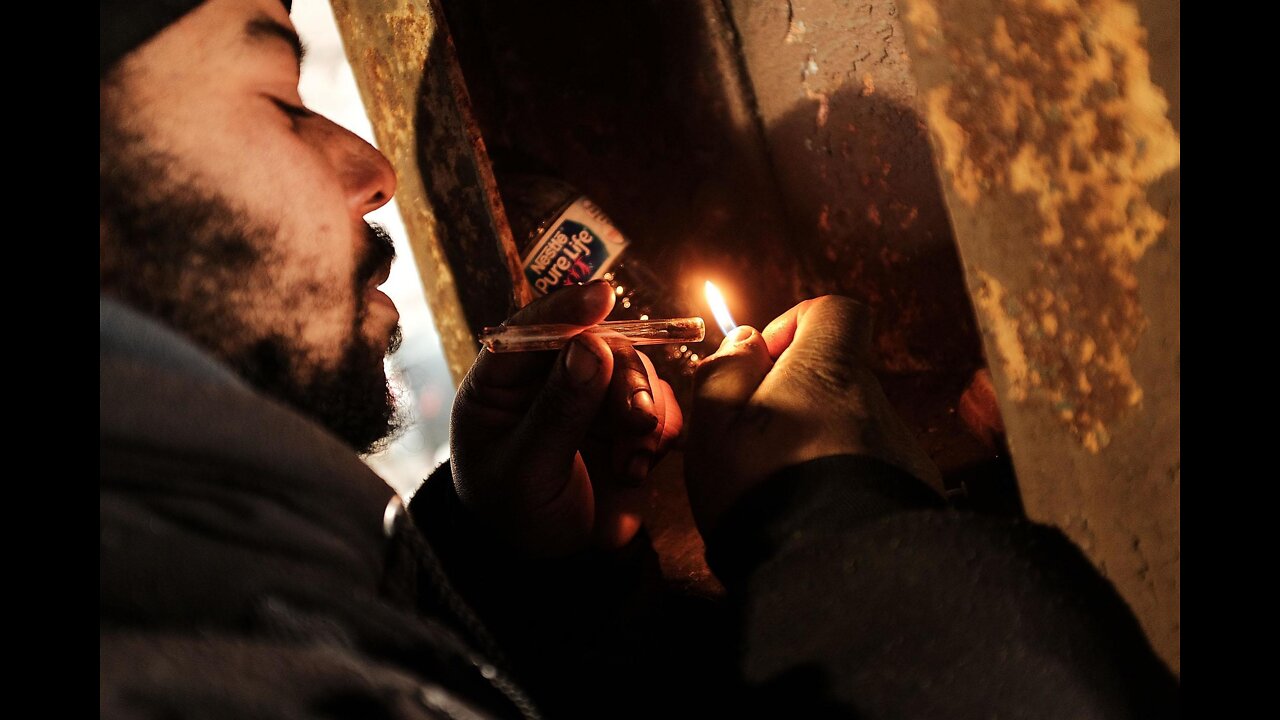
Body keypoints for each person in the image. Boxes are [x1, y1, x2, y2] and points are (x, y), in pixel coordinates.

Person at [100, 0, 1179, 717]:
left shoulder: (209, 577)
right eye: (281, 103)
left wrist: (520, 581)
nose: (373, 170)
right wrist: (836, 522)